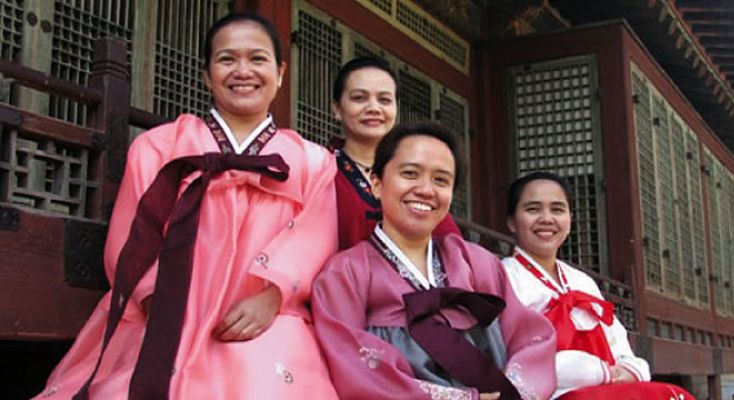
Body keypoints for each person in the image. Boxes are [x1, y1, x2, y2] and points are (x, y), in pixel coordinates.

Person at [35, 13, 338, 399]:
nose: (243, 71)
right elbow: (130, 239)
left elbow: (316, 243)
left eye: (258, 59)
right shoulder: (159, 147)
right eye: (227, 59)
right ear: (207, 74)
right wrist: (158, 303)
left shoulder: (312, 163)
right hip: (166, 311)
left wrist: (273, 296)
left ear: (279, 73)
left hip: (265, 318)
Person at [312, 122, 556, 400]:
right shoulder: (346, 273)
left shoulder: (477, 263)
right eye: (410, 174)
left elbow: (530, 337)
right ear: (376, 183)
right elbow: (353, 368)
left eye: (441, 180)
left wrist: (514, 392)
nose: (426, 190)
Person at [502, 172, 694, 400]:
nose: (546, 218)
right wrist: (597, 373)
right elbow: (511, 360)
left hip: (607, 387)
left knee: (673, 394)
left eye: (557, 209)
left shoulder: (582, 281)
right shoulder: (503, 276)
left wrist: (630, 369)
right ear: (512, 222)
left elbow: (616, 341)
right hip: (550, 393)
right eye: (533, 209)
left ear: (570, 220)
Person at [330, 57, 460, 250]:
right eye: (359, 98)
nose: (373, 108)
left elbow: (450, 246)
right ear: (337, 109)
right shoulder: (321, 170)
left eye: (384, 100)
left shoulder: (417, 174)